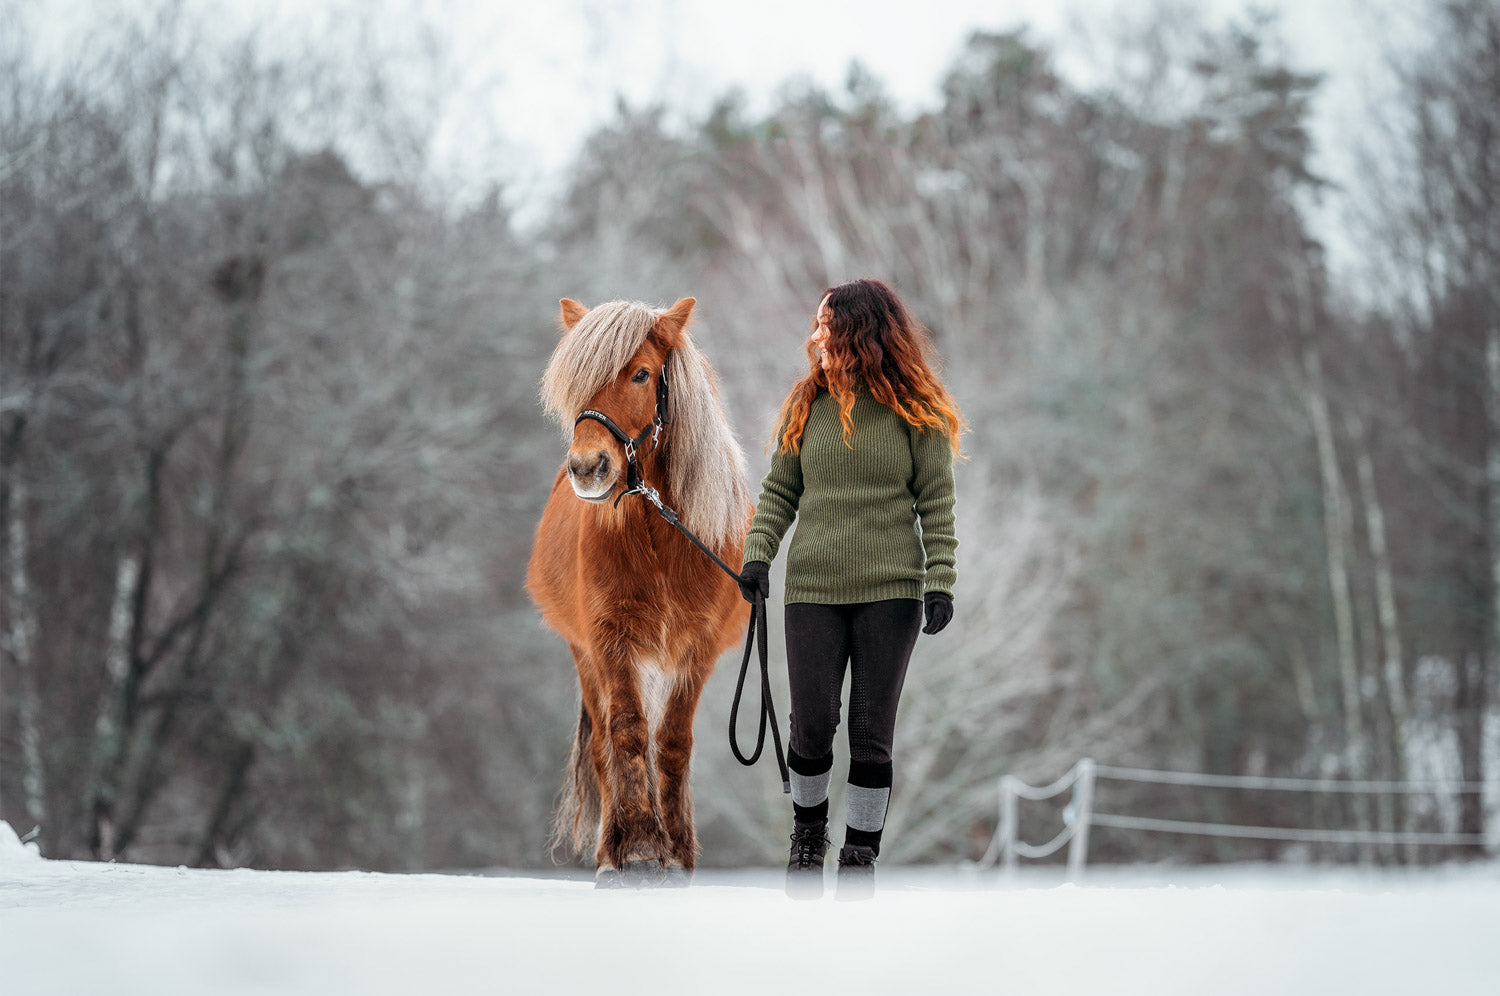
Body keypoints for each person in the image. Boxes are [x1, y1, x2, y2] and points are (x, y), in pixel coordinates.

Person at [739, 278, 963, 900]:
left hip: (890, 589)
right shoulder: (804, 404)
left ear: (860, 332)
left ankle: (860, 858)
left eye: (826, 323)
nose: (816, 335)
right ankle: (808, 838)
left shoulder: (917, 408)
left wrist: (939, 581)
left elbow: (937, 504)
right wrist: (759, 555)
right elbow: (780, 490)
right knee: (811, 723)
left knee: (870, 731)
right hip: (812, 587)